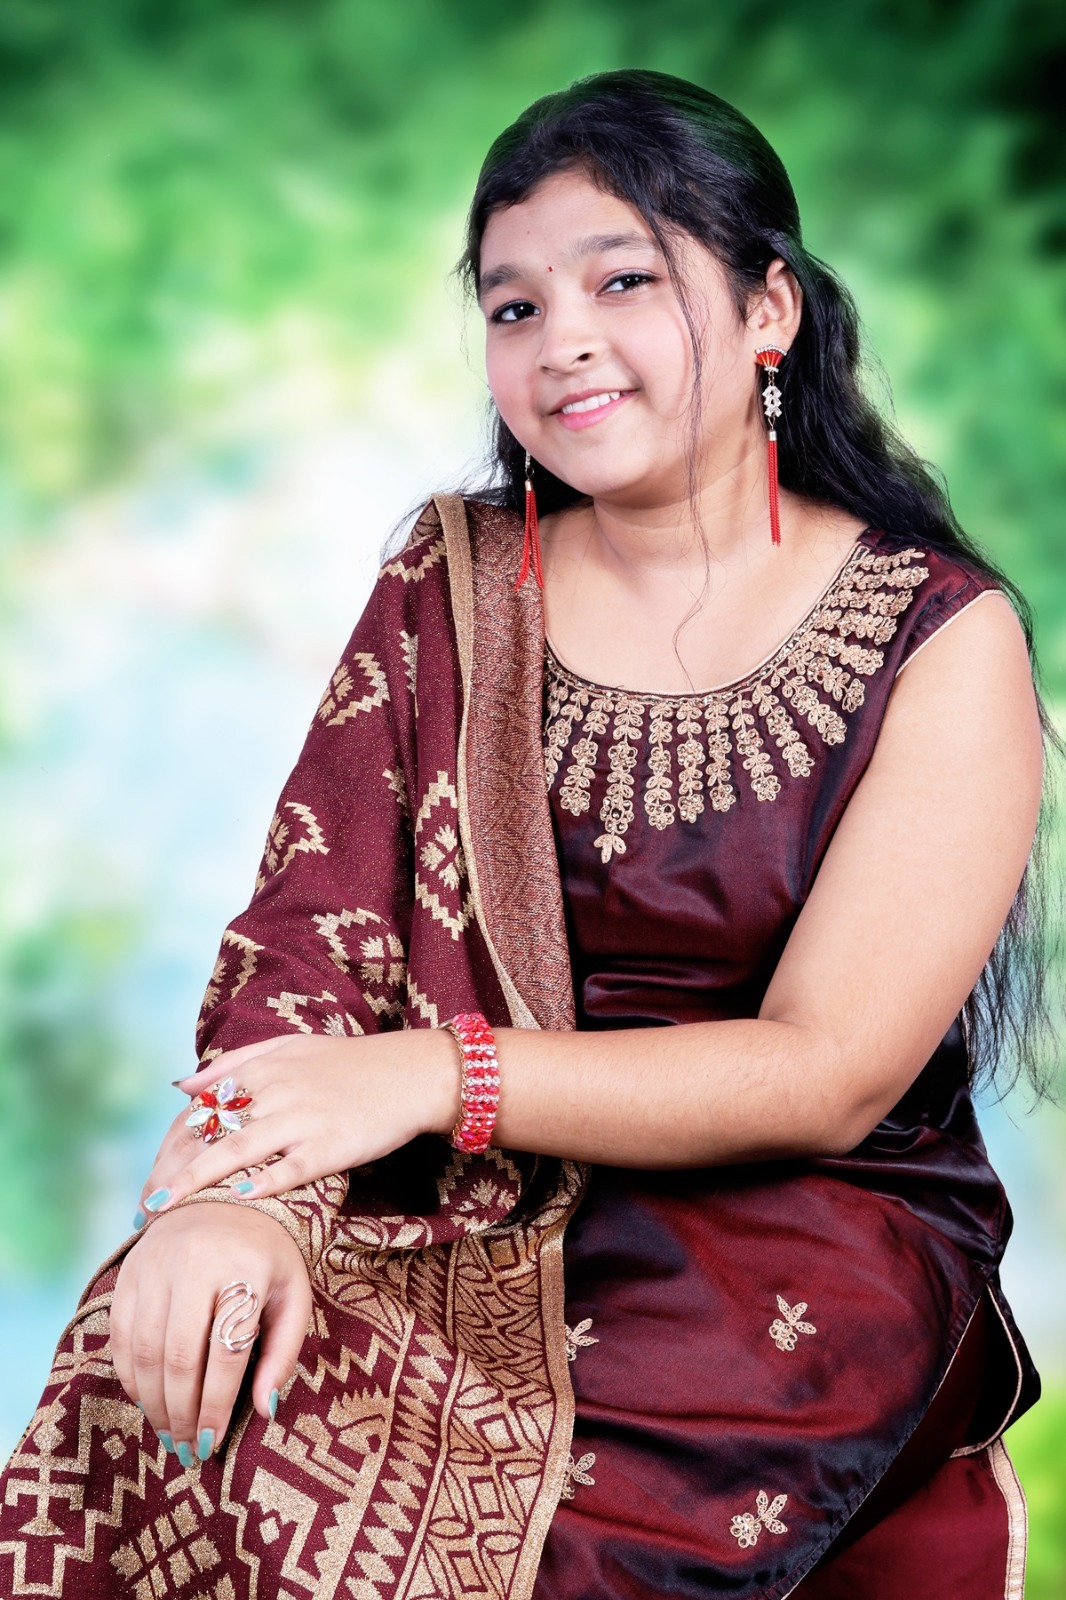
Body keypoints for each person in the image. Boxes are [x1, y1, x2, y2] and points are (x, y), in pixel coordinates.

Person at [0, 69, 1055, 1600]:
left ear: (767, 310)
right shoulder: (450, 589)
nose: (560, 339)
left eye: (623, 282)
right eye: (512, 307)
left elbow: (826, 1076)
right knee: (153, 1355)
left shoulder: (936, 636)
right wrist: (231, 1201)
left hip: (797, 1227)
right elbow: (307, 940)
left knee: (524, 1534)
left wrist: (440, 1074)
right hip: (453, 1189)